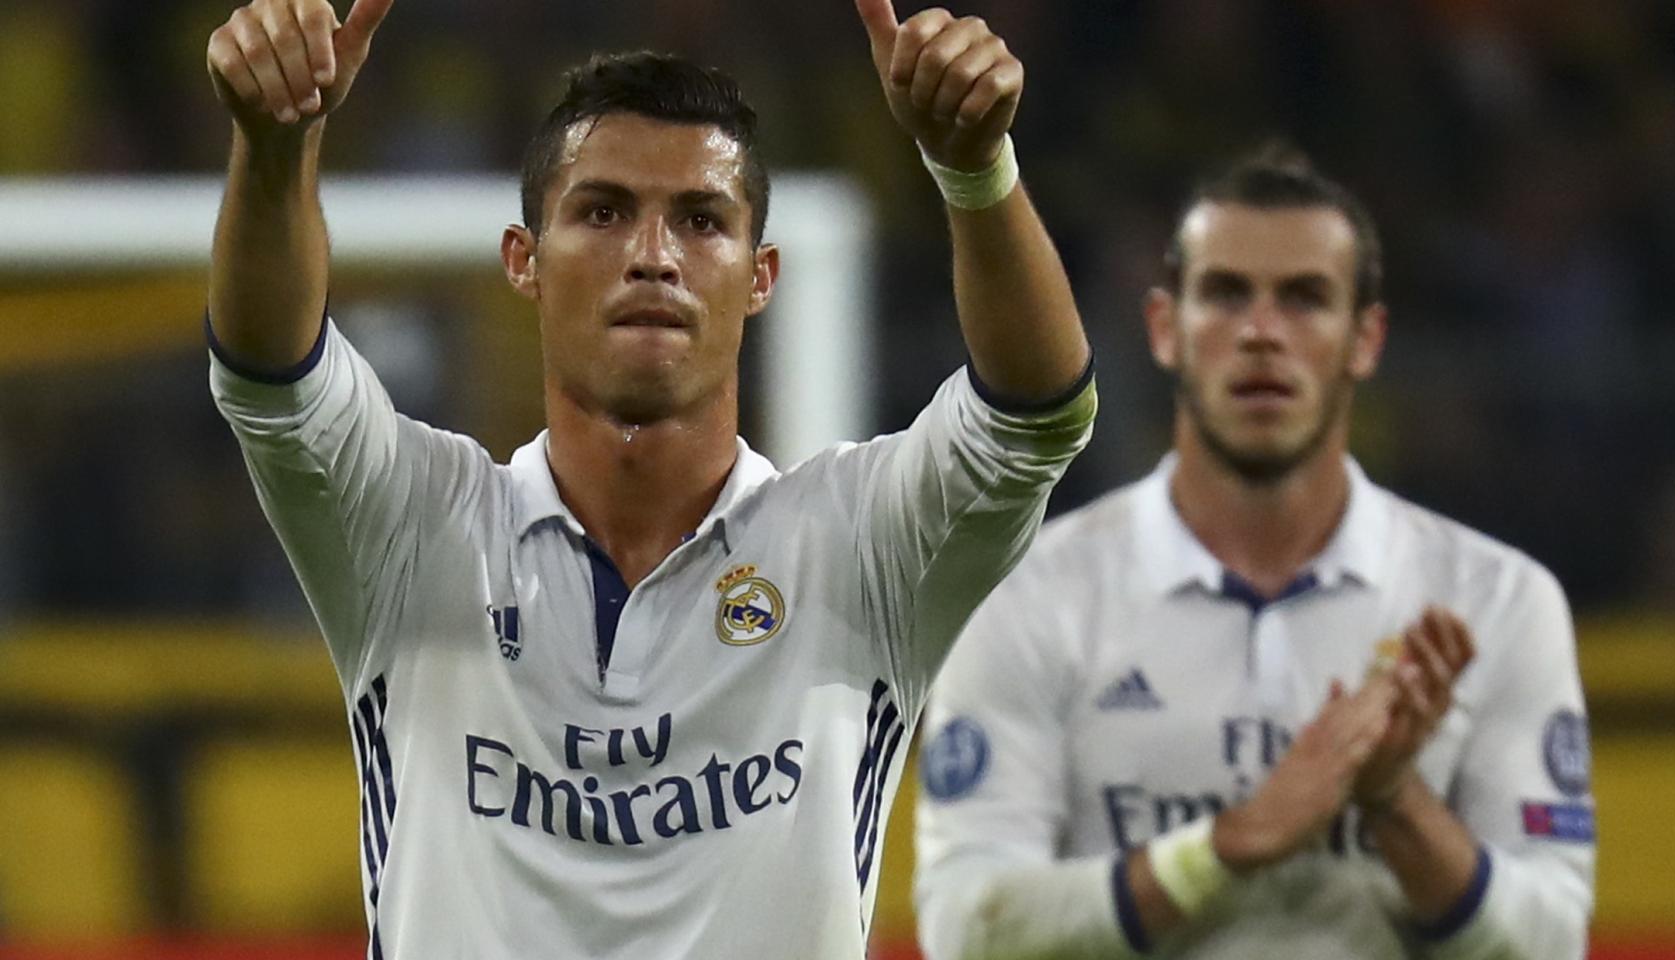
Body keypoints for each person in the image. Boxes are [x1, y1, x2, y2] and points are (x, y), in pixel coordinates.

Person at [202, 0, 1095, 956]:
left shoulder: (854, 541)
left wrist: (973, 170)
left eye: (701, 220)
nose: (654, 257)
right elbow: (270, 376)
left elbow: (1035, 419)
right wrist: (276, 146)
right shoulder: (417, 525)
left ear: (760, 278)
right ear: (525, 261)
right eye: (604, 211)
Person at [913, 146, 1594, 959]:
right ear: (1166, 328)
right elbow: (964, 927)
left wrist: (1394, 802)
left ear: (1365, 339)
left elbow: (1553, 938)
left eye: (1305, 299)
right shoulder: (1030, 596)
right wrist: (1227, 845)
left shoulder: (1497, 602)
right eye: (1227, 294)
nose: (1262, 332)